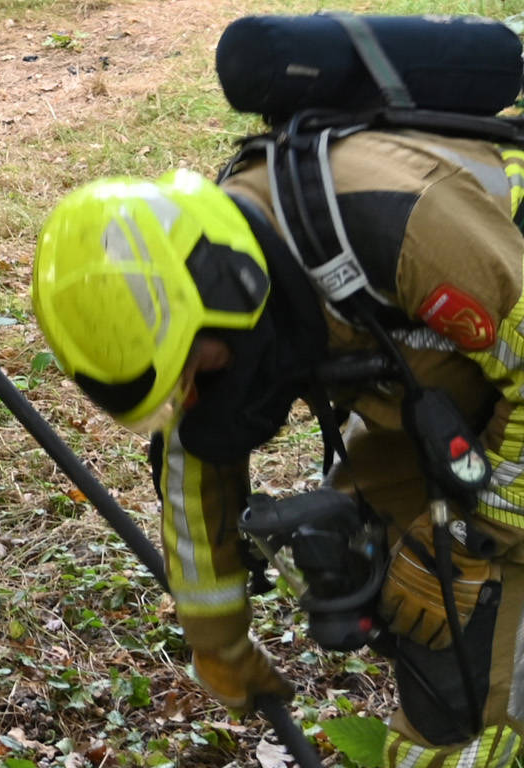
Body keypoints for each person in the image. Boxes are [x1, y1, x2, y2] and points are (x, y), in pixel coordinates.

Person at [31, 134, 524, 768]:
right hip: (460, 403)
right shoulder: (208, 283)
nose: (189, 394)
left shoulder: (403, 230)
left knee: (462, 664)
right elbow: (196, 464)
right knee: (377, 558)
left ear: (224, 294)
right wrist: (219, 643)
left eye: (189, 370)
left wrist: (462, 546)